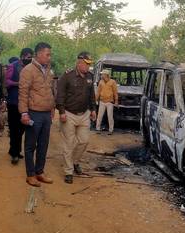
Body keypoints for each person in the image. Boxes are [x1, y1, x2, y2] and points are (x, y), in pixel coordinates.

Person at [56, 51, 97, 184]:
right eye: (86, 64)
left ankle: (75, 162)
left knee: (84, 141)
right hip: (68, 113)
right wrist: (61, 111)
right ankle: (69, 171)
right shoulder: (67, 76)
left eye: (89, 64)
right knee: (68, 144)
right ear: (79, 63)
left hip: (84, 114)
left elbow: (92, 95)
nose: (88, 67)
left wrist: (93, 109)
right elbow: (60, 95)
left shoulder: (90, 76)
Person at [19, 42, 56, 187]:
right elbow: (23, 94)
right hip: (33, 113)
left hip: (46, 113)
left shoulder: (48, 70)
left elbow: (50, 91)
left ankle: (40, 171)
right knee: (30, 145)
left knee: (44, 144)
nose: (49, 57)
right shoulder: (28, 70)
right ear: (39, 54)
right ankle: (30, 174)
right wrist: (24, 113)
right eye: (47, 54)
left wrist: (52, 108)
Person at [5, 48, 33, 164]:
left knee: (21, 129)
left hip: (26, 103)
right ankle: (14, 153)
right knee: (13, 128)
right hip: (13, 102)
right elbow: (6, 82)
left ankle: (15, 150)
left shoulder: (32, 68)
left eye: (31, 57)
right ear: (22, 56)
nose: (29, 59)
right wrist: (18, 83)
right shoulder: (13, 66)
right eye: (27, 57)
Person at [95, 69, 118, 134]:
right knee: (99, 116)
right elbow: (98, 92)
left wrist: (116, 101)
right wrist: (96, 100)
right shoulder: (101, 82)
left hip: (109, 102)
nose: (101, 75)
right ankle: (97, 129)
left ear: (106, 75)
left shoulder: (112, 82)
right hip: (102, 101)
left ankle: (111, 130)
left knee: (110, 116)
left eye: (102, 74)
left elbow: (115, 92)